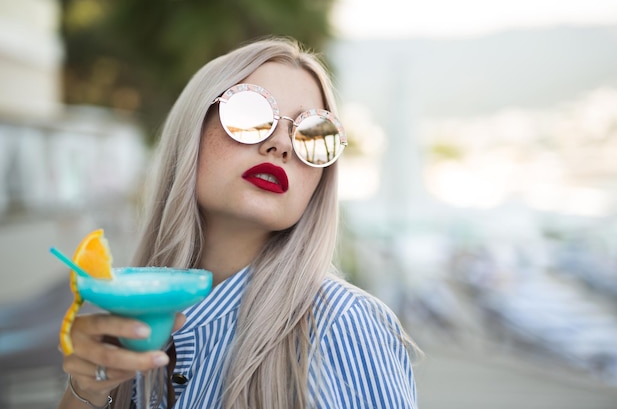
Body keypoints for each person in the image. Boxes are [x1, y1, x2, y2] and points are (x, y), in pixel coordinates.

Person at [56, 36, 419, 409]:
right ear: (193, 130)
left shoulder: (344, 326)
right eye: (249, 113)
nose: (282, 145)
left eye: (313, 134)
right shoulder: (134, 321)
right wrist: (88, 389)